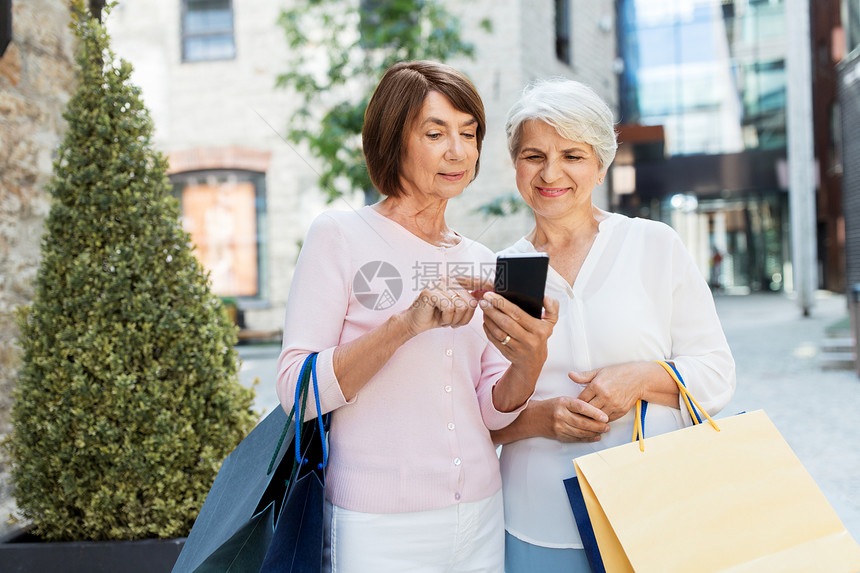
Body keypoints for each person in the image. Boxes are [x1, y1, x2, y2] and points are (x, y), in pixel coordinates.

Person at [276, 61, 557, 573]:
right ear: (393, 140)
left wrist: (530, 357)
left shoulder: (484, 261)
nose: (458, 151)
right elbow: (299, 391)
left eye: (469, 134)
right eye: (436, 132)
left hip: (480, 514)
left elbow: (494, 411)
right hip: (379, 524)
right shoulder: (339, 235)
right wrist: (405, 325)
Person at [483, 79, 736, 572]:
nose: (550, 172)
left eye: (572, 156)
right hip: (538, 524)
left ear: (600, 166)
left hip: (653, 509)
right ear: (516, 165)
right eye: (534, 155)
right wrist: (543, 418)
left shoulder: (652, 245)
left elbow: (718, 374)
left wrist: (640, 377)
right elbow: (482, 417)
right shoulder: (505, 270)